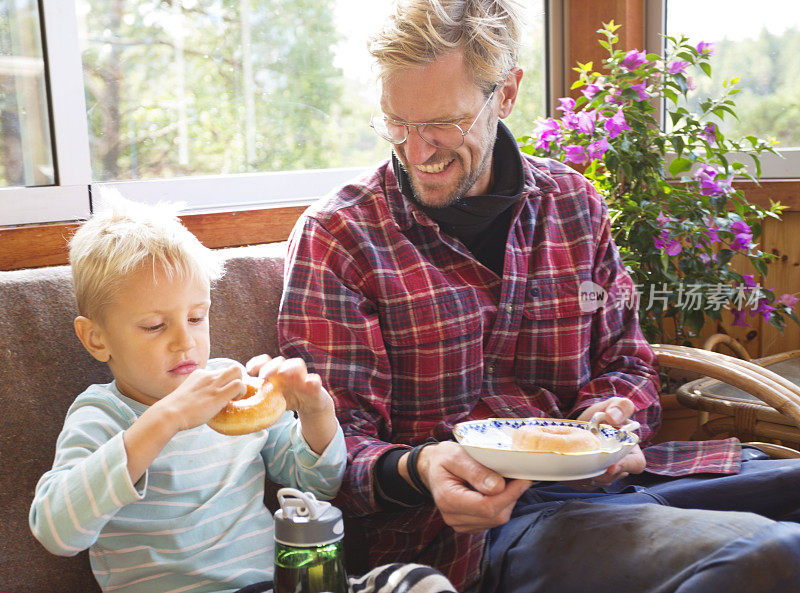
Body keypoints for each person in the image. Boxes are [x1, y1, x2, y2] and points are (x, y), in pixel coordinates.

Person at [277, 1, 800, 592]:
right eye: (397, 123)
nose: (418, 152)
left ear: (506, 95)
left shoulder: (574, 204)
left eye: (443, 123)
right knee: (773, 555)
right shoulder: (340, 237)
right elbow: (330, 453)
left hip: (630, 482)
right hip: (486, 530)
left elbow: (628, 363)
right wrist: (422, 465)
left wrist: (610, 420)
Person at [29, 195, 457, 593]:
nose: (185, 342)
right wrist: (165, 419)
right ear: (96, 339)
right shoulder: (100, 415)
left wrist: (316, 411)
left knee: (416, 582)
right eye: (154, 326)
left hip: (274, 583)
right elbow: (57, 531)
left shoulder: (232, 388)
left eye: (196, 318)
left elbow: (318, 484)